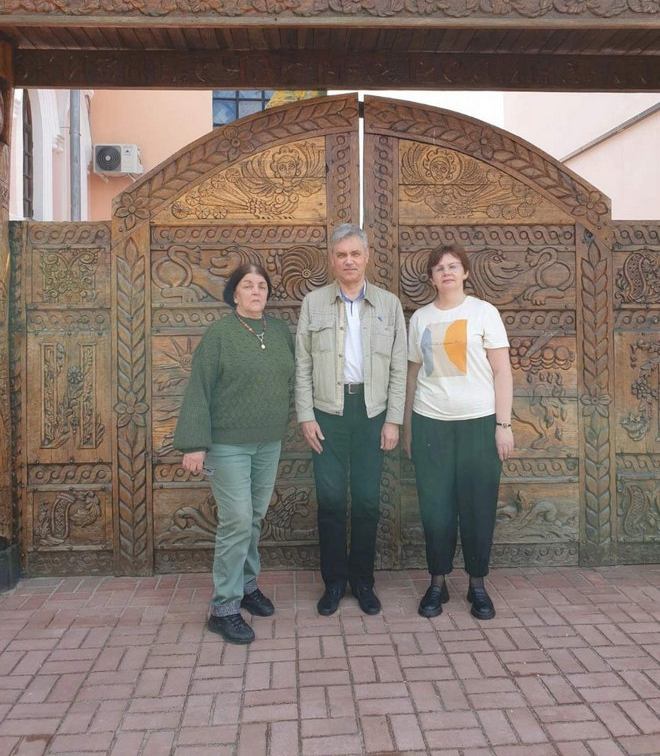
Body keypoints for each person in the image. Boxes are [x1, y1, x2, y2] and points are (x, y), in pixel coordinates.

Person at [173, 263, 294, 644]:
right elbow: (199, 387)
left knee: (254, 516)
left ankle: (246, 585)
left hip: (268, 442)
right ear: (234, 294)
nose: (256, 291)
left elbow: (291, 379)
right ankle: (223, 608)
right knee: (237, 519)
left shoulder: (279, 331)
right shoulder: (220, 334)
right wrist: (194, 442)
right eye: (248, 285)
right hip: (227, 445)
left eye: (261, 286)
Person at [296, 224, 407, 616]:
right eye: (341, 254)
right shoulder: (314, 303)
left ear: (367, 257)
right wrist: (306, 415)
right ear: (332, 259)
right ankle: (333, 583)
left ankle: (362, 582)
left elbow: (398, 366)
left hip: (372, 413)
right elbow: (303, 363)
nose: (348, 261)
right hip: (327, 413)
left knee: (366, 501)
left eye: (355, 254)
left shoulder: (389, 305)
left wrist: (393, 420)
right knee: (329, 502)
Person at [403, 243, 514, 621]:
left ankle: (477, 584)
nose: (446, 272)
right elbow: (413, 374)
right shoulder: (420, 318)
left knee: (478, 506)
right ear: (431, 278)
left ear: (465, 272)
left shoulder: (484, 312)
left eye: (453, 266)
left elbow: (502, 371)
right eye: (439, 268)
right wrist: (408, 427)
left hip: (479, 423)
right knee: (436, 508)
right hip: (431, 423)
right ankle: (437, 582)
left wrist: (503, 425)